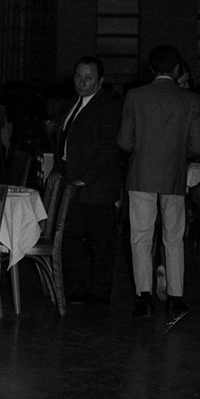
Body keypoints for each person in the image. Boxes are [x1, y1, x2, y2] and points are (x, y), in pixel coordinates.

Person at [117, 44, 200, 323]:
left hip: (142, 174)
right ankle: (176, 299)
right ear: (177, 68)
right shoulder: (191, 100)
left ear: (151, 69)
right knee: (174, 237)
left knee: (141, 237)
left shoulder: (134, 96)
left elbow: (124, 142)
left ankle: (144, 298)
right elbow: (196, 145)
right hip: (174, 175)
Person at [56, 55, 123, 308]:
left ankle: (99, 293)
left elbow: (107, 147)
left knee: (100, 242)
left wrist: (87, 178)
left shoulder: (107, 106)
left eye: (88, 78)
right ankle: (77, 289)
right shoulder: (74, 102)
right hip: (74, 183)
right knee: (71, 237)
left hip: (96, 187)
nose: (82, 82)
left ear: (101, 80)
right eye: (78, 77)